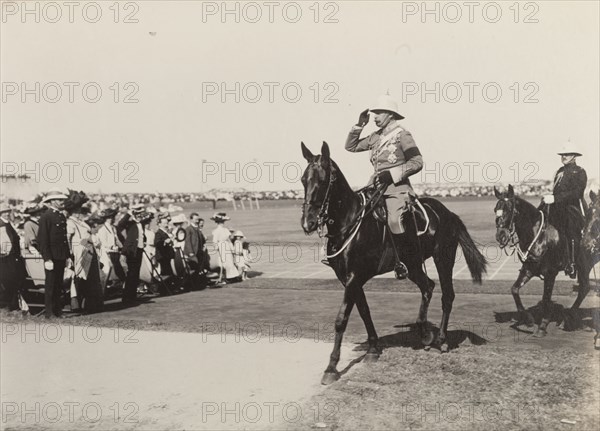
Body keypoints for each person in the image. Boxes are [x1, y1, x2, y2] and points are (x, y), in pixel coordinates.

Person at [345, 94, 423, 279]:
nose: (375, 116)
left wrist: (393, 174)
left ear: (390, 114)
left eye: (378, 113)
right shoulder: (375, 137)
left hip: (397, 189)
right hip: (375, 188)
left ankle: (404, 260)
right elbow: (351, 146)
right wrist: (359, 125)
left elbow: (417, 162)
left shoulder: (402, 135)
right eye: (374, 113)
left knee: (394, 221)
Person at [541, 141, 588, 278]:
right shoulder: (559, 171)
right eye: (562, 154)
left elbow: (577, 193)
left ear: (574, 156)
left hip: (572, 208)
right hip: (556, 207)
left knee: (570, 230)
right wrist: (550, 197)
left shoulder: (580, 171)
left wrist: (556, 199)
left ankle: (572, 264)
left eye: (567, 154)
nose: (564, 156)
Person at [65, 192, 103, 313]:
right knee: (80, 278)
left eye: (79, 210)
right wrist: (70, 253)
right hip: (80, 253)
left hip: (89, 251)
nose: (79, 213)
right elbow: (68, 239)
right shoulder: (70, 222)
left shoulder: (81, 222)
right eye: (76, 211)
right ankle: (78, 304)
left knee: (91, 278)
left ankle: (91, 304)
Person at [37, 189, 70, 318]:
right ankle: (49, 313)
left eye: (63, 200)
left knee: (58, 285)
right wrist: (47, 259)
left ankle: (57, 311)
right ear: (53, 201)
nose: (62, 202)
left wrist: (67, 256)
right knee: (50, 285)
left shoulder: (61, 216)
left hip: (61, 255)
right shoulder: (46, 217)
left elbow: (63, 239)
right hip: (51, 257)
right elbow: (43, 240)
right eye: (60, 200)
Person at [117, 204, 147, 305]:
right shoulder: (130, 223)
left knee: (136, 274)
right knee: (131, 274)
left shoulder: (141, 223)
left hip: (139, 250)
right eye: (137, 213)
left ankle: (133, 296)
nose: (139, 215)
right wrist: (129, 213)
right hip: (131, 251)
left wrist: (145, 241)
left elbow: (142, 235)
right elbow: (120, 225)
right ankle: (127, 298)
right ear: (134, 214)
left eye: (140, 213)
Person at [0, 202, 27, 312]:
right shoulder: (2, 225)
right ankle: (8, 305)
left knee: (13, 280)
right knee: (8, 281)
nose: (6, 214)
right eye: (3, 212)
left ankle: (13, 305)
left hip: (13, 257)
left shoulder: (7, 224)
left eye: (7, 212)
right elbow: (4, 243)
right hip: (6, 259)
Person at [97, 207, 126, 283]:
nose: (113, 219)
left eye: (112, 217)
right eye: (111, 217)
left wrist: (122, 247)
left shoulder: (113, 228)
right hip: (107, 253)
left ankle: (121, 283)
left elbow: (116, 239)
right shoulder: (102, 229)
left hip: (115, 252)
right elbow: (104, 243)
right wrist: (112, 246)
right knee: (109, 270)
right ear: (107, 218)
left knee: (119, 268)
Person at [211, 212, 239, 284]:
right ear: (218, 222)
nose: (222, 223)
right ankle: (225, 277)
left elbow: (228, 240)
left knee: (230, 261)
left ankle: (232, 276)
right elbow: (214, 241)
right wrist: (217, 249)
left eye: (223, 222)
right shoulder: (216, 231)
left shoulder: (225, 230)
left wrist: (232, 249)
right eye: (221, 222)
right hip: (221, 246)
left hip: (226, 246)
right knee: (223, 262)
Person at [154, 212, 175, 277]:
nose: (166, 225)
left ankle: (169, 285)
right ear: (159, 224)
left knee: (168, 272)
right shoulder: (159, 233)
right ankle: (165, 286)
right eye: (165, 223)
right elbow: (157, 243)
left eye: (167, 223)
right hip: (162, 257)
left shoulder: (164, 232)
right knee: (166, 273)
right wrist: (165, 242)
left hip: (166, 256)